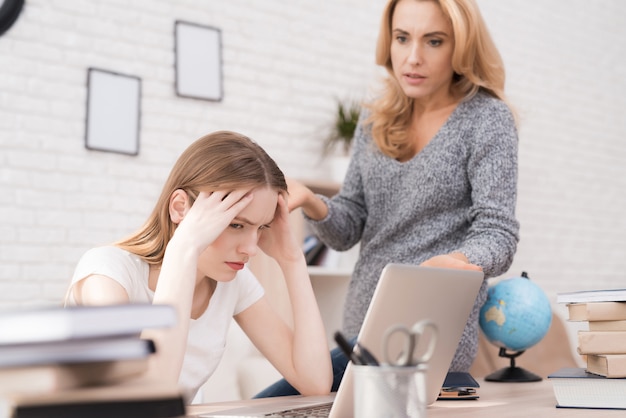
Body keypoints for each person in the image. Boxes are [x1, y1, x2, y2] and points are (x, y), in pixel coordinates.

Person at [255, 0, 519, 397]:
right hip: (360, 336)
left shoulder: (486, 119)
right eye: (402, 38)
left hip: (430, 339)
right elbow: (348, 228)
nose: (412, 58)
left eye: (434, 41)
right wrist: (312, 201)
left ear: (460, 47)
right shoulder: (375, 119)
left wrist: (461, 261)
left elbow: (498, 233)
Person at [64, 131, 333, 402]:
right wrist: (184, 249)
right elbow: (145, 401)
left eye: (261, 227)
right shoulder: (108, 274)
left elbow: (315, 383)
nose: (251, 249)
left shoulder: (232, 281)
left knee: (345, 360)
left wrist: (292, 259)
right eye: (236, 224)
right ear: (180, 208)